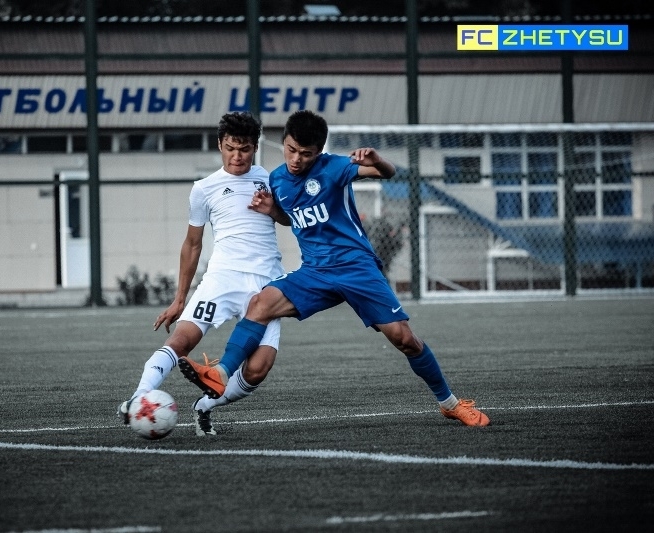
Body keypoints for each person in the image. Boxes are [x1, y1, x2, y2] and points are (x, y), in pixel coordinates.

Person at [178, 109, 490, 427]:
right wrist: (273, 211)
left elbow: (386, 173)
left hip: (357, 268)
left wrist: (377, 160)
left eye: (306, 153)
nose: (296, 159)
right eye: (291, 150)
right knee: (260, 303)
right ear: (283, 142)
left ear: (318, 152)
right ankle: (220, 373)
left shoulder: (334, 167)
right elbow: (290, 217)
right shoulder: (277, 179)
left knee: (404, 339)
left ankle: (450, 403)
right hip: (315, 272)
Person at [117, 112, 289, 436]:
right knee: (182, 341)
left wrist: (273, 209)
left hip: (265, 284)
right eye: (231, 148)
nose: (237, 156)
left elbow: (291, 219)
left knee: (258, 368)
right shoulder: (204, 189)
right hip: (222, 279)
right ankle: (138, 398)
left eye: (245, 149)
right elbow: (192, 244)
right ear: (220, 145)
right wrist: (179, 298)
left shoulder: (271, 179)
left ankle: (204, 406)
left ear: (255, 147)